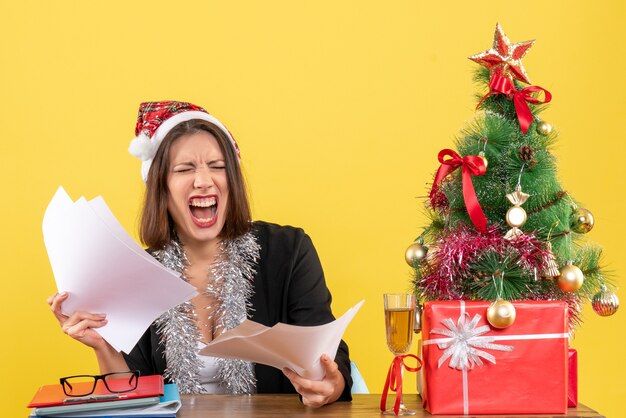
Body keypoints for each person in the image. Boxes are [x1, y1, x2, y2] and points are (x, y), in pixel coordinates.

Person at [47, 101, 352, 407]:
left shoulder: (289, 250)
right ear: (161, 188)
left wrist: (331, 384)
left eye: (218, 167)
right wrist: (103, 346)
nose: (204, 181)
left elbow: (327, 353)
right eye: (185, 169)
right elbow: (132, 398)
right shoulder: (137, 273)